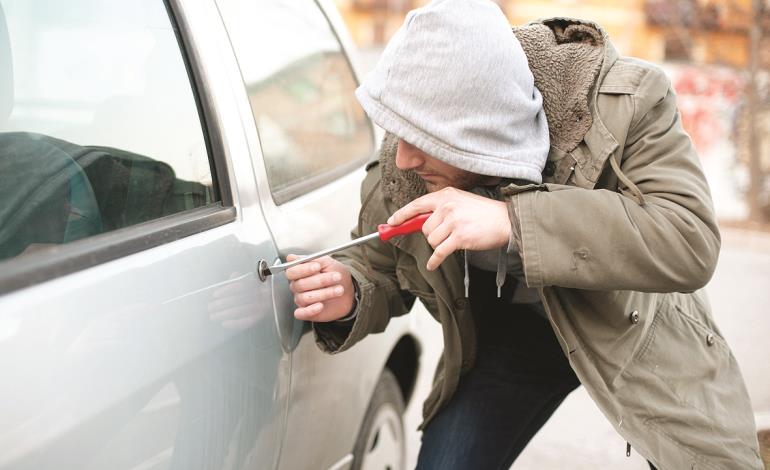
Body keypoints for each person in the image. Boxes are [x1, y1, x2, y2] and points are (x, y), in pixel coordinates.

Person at [286, 1, 763, 468]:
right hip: (509, 345)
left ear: (478, 130)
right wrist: (350, 292)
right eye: (399, 134)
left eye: (423, 140)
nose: (405, 158)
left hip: (634, 328)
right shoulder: (404, 164)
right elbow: (381, 264)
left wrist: (513, 222)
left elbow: (688, 239)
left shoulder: (627, 103)